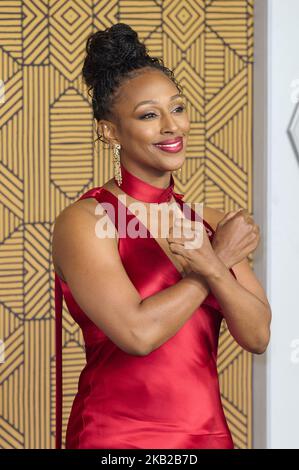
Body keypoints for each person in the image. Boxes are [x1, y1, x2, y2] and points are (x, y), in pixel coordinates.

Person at [52, 23, 271, 449]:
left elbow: (258, 335)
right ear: (110, 132)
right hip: (116, 440)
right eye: (150, 115)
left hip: (206, 438)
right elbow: (138, 335)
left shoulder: (211, 222)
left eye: (178, 108)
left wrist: (212, 259)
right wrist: (217, 260)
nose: (173, 127)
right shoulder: (85, 221)